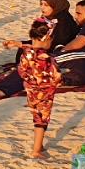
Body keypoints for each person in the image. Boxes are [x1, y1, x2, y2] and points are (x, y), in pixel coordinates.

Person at [0, 0, 79, 99]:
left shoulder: (65, 23)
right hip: (45, 52)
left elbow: (54, 44)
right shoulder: (48, 20)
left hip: (56, 56)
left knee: (29, 67)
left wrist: (27, 46)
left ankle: (0, 90)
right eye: (41, 4)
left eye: (46, 5)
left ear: (56, 6)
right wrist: (20, 44)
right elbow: (39, 40)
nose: (42, 8)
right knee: (24, 55)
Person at [19, 19, 63, 157]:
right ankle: (36, 150)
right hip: (45, 92)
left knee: (36, 117)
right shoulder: (48, 58)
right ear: (47, 38)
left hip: (31, 90)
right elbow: (56, 76)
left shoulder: (26, 53)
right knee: (42, 120)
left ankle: (39, 144)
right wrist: (59, 82)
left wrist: (27, 80)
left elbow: (21, 70)